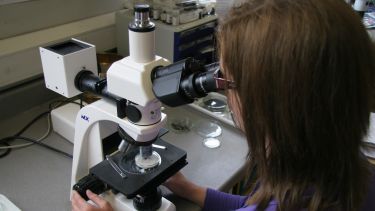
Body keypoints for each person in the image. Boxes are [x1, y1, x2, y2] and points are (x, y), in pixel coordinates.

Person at [72, 0, 375, 210]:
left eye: (225, 79)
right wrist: (193, 191)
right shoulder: (350, 173)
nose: (218, 86)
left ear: (269, 108)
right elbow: (254, 206)